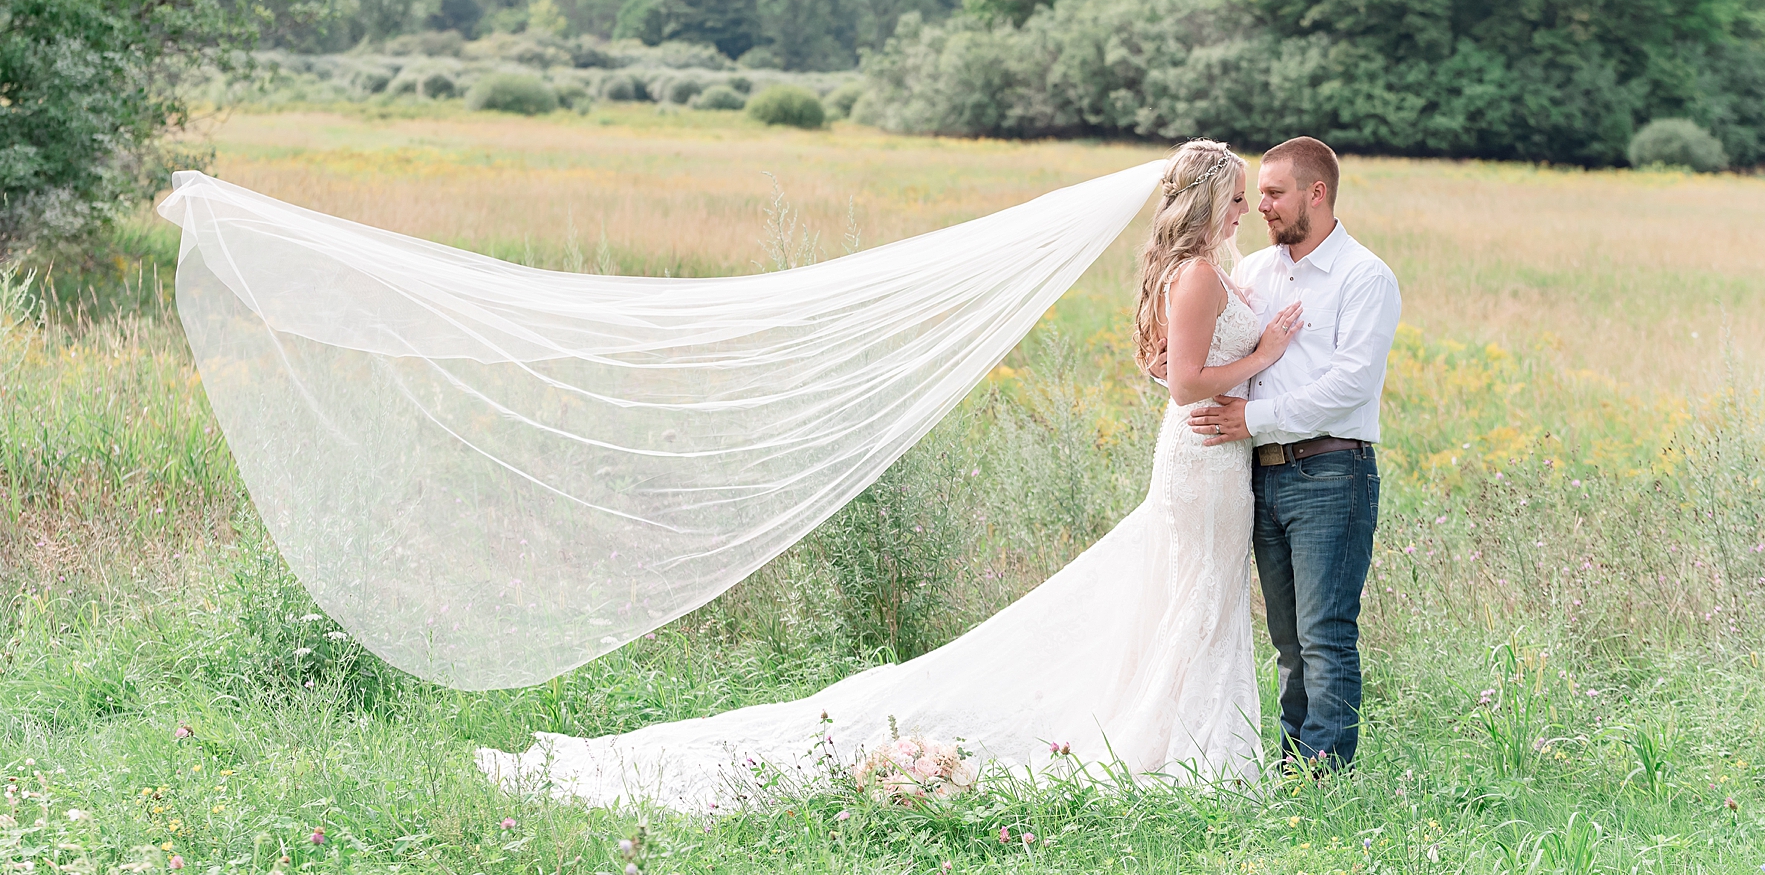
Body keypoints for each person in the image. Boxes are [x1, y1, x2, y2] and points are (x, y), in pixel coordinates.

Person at [478, 139, 1305, 810]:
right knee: (1198, 592)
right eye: (1236, 197)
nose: (1246, 209)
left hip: (1211, 454)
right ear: (1208, 200)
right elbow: (1186, 380)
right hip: (1203, 454)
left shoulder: (1204, 267)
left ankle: (1182, 724)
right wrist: (1266, 352)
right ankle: (1183, 739)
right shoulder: (1198, 273)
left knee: (1195, 594)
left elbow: (1164, 366)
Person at [1187, 137, 1401, 772]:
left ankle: (1325, 781)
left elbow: (1350, 386)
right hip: (1261, 474)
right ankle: (1294, 771)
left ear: (1317, 193)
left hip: (1332, 472)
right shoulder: (1255, 271)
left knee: (1324, 636)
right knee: (1287, 641)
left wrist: (1252, 418)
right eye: (1258, 195)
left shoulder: (1365, 277)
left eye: (1275, 194)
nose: (1262, 206)